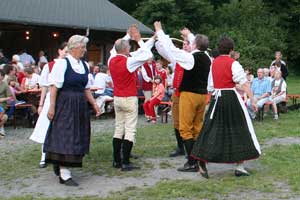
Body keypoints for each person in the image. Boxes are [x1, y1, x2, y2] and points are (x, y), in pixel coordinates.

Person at [191, 37, 261, 178]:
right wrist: (253, 100)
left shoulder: (214, 63)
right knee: (240, 129)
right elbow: (245, 83)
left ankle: (201, 159)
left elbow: (210, 86)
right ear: (231, 50)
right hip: (230, 99)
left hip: (217, 98)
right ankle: (240, 167)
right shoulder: (233, 63)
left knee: (210, 129)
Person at [43, 35, 100, 186]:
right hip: (65, 104)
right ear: (74, 48)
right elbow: (54, 87)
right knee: (66, 135)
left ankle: (61, 165)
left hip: (80, 105)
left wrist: (94, 104)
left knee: (77, 135)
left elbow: (86, 87)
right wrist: (52, 106)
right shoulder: (62, 63)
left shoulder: (84, 65)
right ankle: (64, 173)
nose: (85, 50)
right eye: (83, 47)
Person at [109, 24, 153, 171]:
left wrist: (128, 35)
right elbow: (147, 55)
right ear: (127, 49)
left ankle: (116, 160)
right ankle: (126, 162)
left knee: (118, 128)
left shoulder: (111, 59)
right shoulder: (128, 61)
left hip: (117, 97)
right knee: (130, 130)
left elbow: (115, 48)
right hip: (129, 98)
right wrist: (138, 39)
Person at [30, 42, 68, 169]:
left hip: (64, 101)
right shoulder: (50, 66)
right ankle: (44, 156)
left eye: (68, 52)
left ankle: (62, 155)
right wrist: (40, 104)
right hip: (50, 100)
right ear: (60, 51)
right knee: (47, 126)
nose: (66, 54)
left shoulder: (70, 65)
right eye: (65, 51)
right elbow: (44, 86)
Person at [0, 69, 13, 136]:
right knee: (4, 117)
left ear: (2, 77)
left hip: (2, 104)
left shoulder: (5, 85)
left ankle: (1, 127)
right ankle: (1, 127)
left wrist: (2, 99)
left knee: (4, 117)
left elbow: (10, 97)